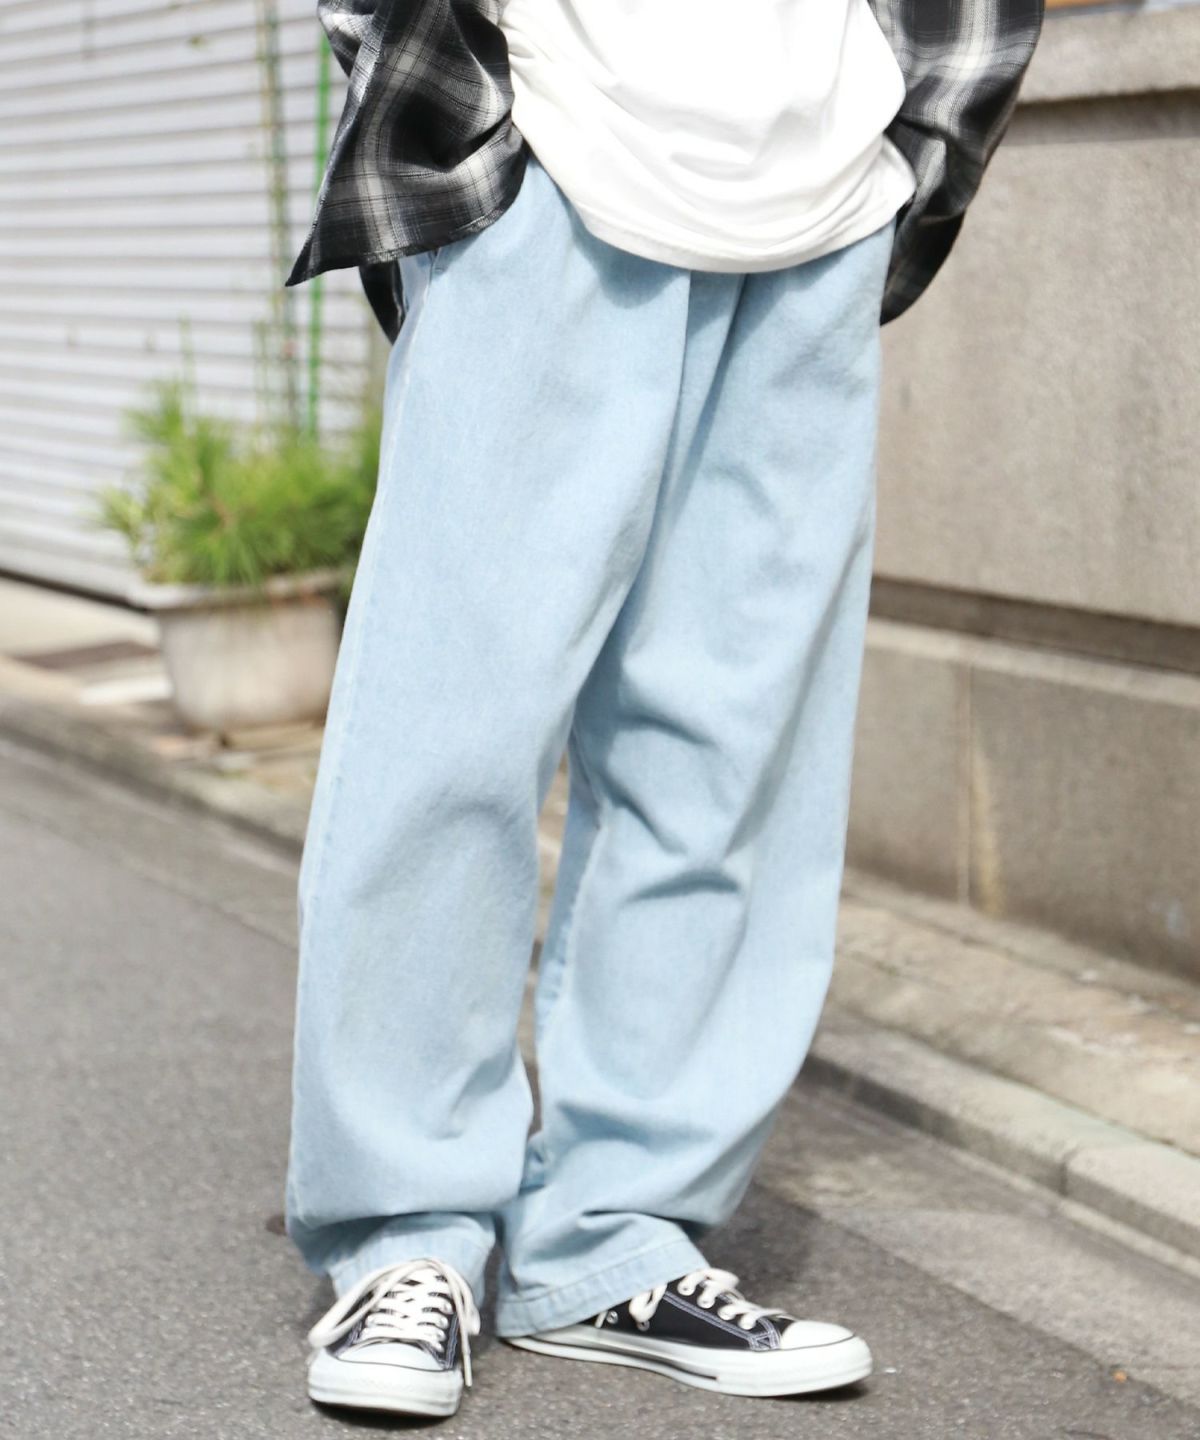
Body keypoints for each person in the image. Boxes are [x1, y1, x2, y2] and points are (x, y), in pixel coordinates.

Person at [283, 0, 1043, 1419]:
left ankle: (615, 1236)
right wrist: (474, 135)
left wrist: (913, 140)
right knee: (448, 731)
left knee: (732, 754)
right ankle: (404, 1234)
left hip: (823, 187)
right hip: (551, 152)